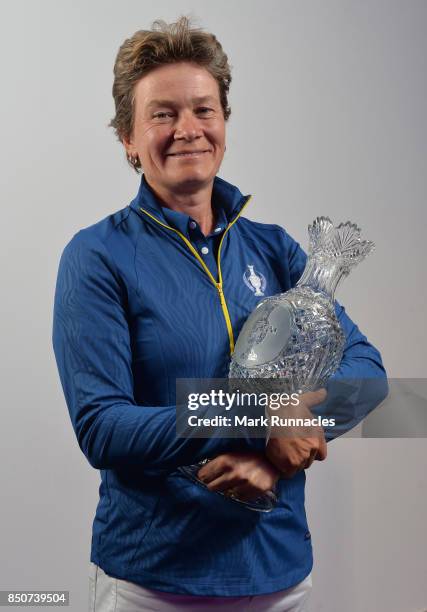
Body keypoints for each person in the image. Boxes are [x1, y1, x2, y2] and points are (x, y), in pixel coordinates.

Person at [52, 16, 388, 612]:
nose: (188, 129)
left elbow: (367, 372)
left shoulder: (273, 247)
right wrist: (262, 419)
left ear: (224, 123)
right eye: (163, 114)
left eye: (204, 110)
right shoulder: (97, 256)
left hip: (278, 571)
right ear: (127, 139)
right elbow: (103, 426)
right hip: (153, 583)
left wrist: (277, 449)